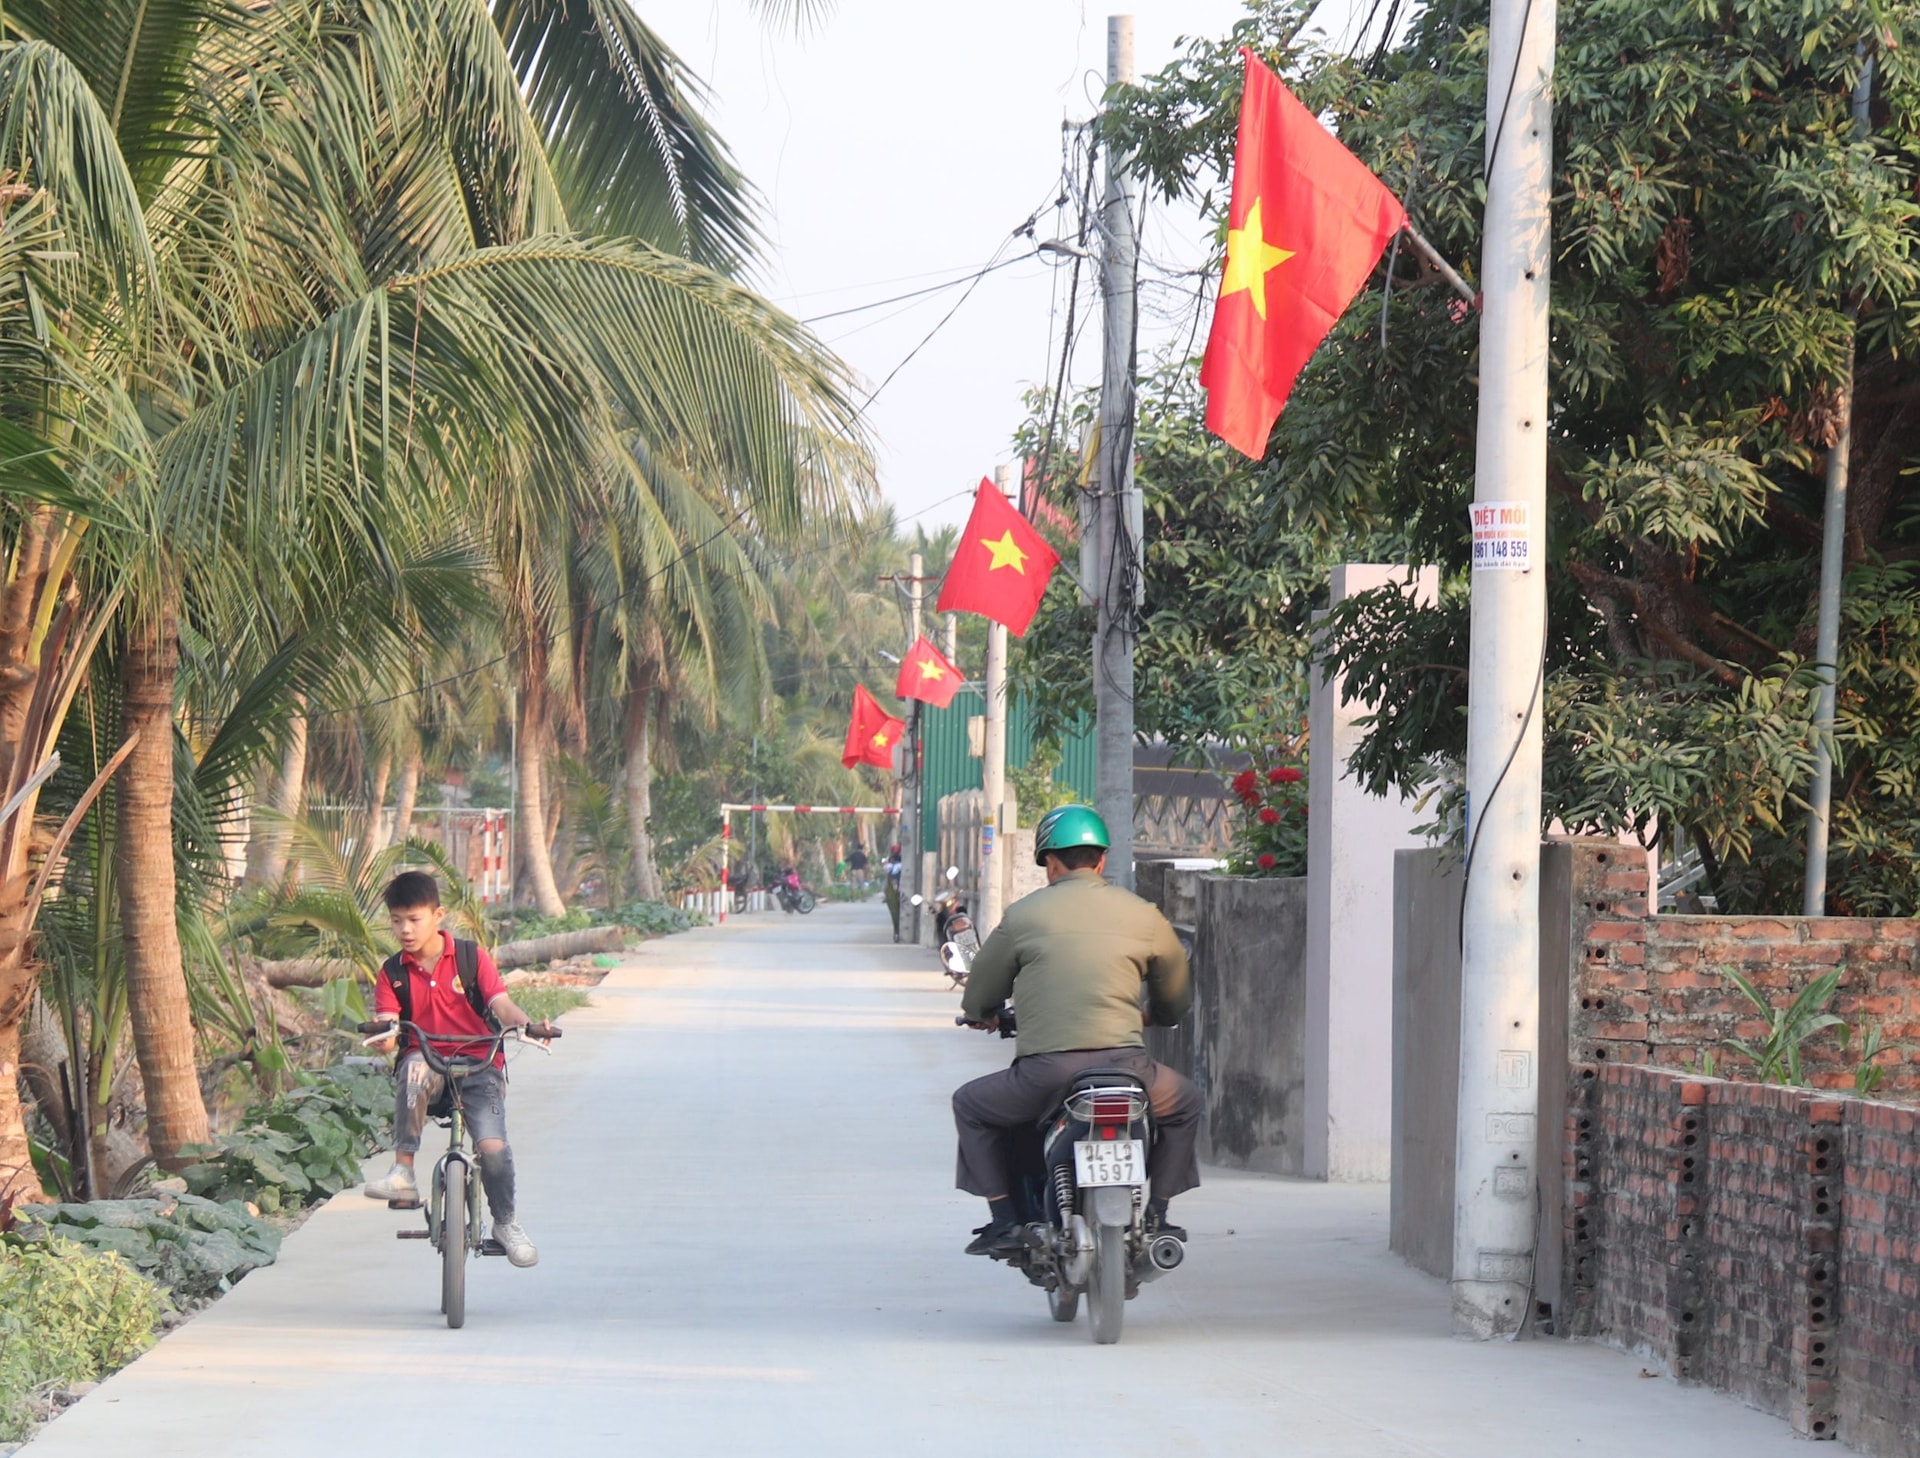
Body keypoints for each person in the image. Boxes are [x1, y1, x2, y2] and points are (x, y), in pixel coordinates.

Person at [952, 805, 1201, 1256]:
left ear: (1050, 862)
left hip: (1044, 1078)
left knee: (969, 1104)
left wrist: (983, 1013)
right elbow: (1175, 994)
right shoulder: (1143, 914)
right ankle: (1159, 1215)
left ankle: (1005, 1220)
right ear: (1101, 861)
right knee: (1186, 1103)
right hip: (1129, 1072)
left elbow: (980, 993)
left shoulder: (1023, 915)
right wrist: (1156, 1014)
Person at [362, 871, 544, 1268]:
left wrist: (525, 1024)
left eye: (414, 919)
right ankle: (403, 1174)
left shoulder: (469, 957)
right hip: (426, 1065)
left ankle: (506, 1222)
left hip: (480, 1065)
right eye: (396, 920)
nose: (405, 930)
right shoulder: (392, 973)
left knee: (493, 1151)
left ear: (437, 914)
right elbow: (390, 1030)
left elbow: (501, 1004)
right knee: (411, 1067)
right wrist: (384, 1038)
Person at [883, 844, 904, 941]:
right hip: (894, 893)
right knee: (896, 915)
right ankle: (897, 932)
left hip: (895, 893)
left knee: (895, 915)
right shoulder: (898, 864)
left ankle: (897, 932)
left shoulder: (893, 865)